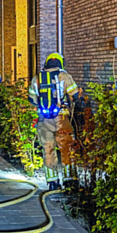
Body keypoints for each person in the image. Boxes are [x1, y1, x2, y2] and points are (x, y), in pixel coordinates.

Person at [29, 53, 80, 190]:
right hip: (61, 118)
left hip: (44, 119)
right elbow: (75, 95)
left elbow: (32, 99)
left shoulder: (37, 79)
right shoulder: (64, 76)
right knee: (66, 148)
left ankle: (52, 182)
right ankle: (69, 179)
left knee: (48, 149)